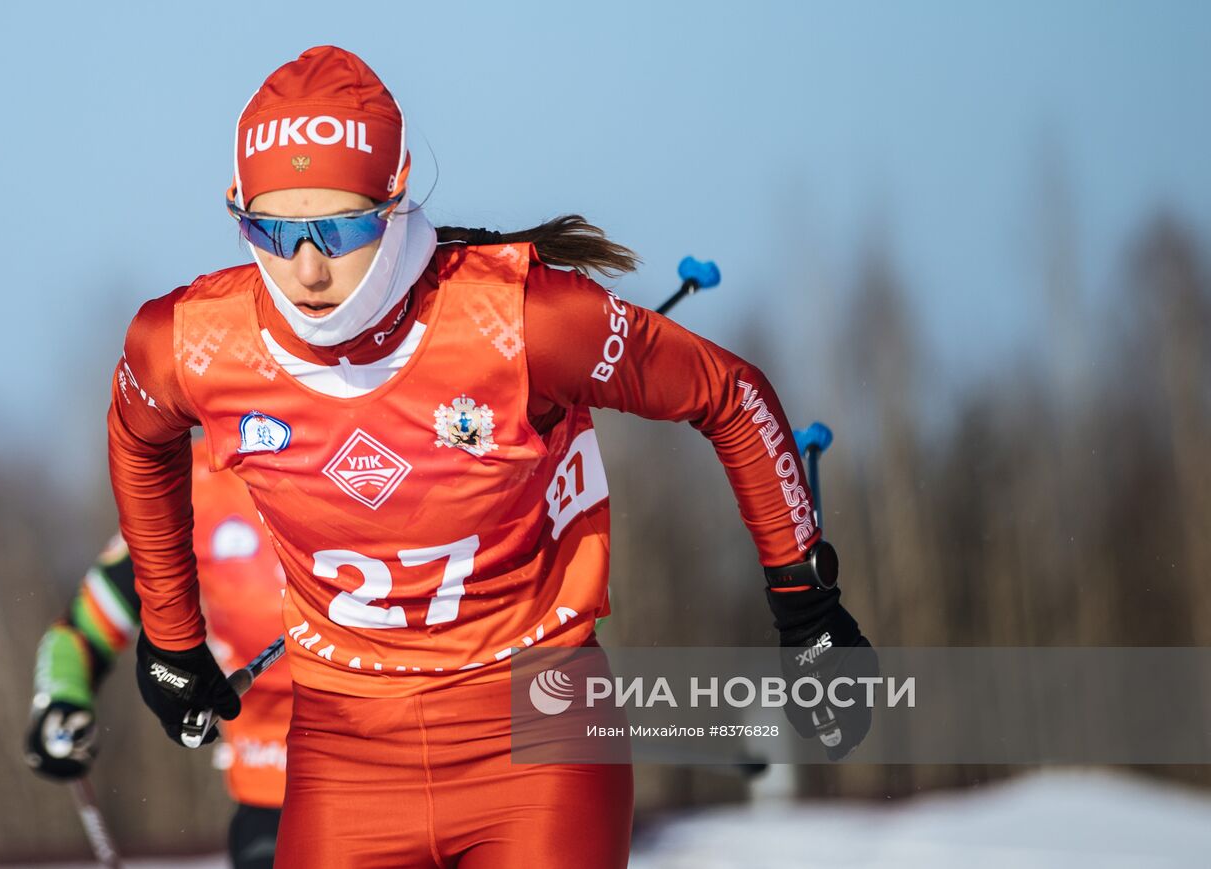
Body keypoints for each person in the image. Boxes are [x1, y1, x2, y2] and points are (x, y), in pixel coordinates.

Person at [108, 45, 877, 868]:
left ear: (395, 201)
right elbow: (138, 439)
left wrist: (806, 603)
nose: (306, 266)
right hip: (345, 746)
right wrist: (172, 636)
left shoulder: (520, 320)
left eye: (339, 227)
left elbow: (729, 393)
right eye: (273, 228)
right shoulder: (189, 343)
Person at [25, 441, 292, 869]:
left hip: (406, 768)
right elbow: (81, 631)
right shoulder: (194, 485)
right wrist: (63, 697)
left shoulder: (369, 456)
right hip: (275, 790)